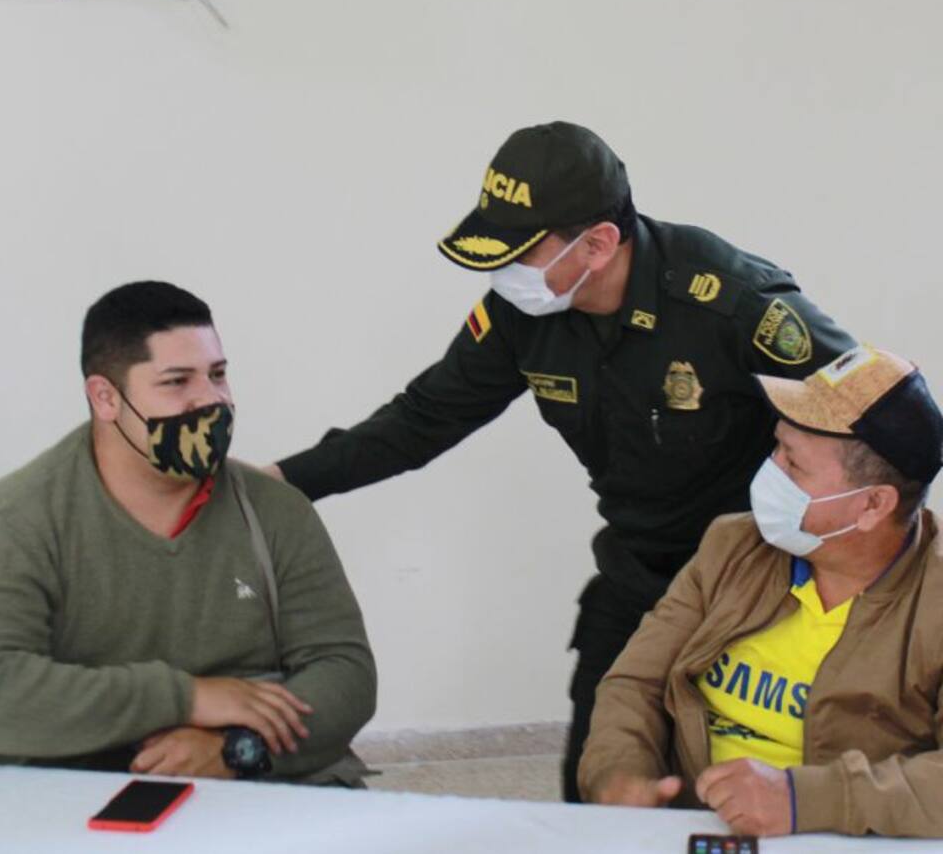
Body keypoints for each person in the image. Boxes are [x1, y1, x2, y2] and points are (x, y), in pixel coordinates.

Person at [268, 122, 856, 800]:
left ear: (600, 244)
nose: (503, 273)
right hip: (639, 573)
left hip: (760, 585)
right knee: (595, 787)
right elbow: (423, 419)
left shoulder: (728, 299)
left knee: (736, 794)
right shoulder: (524, 314)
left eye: (521, 253)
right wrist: (286, 481)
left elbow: (883, 417)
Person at [0, 281, 377, 785]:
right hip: (73, 792)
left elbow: (345, 674)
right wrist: (189, 697)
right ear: (105, 398)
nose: (209, 400)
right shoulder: (12, 523)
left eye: (218, 375)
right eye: (176, 382)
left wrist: (234, 751)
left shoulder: (274, 510)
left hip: (259, 780)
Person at [579, 345, 943, 837]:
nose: (770, 472)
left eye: (793, 464)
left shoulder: (933, 601)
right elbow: (635, 682)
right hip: (694, 828)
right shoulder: (733, 545)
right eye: (776, 447)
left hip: (843, 838)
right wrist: (620, 771)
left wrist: (802, 800)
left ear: (873, 505)